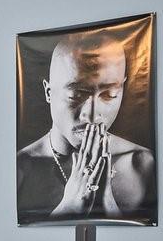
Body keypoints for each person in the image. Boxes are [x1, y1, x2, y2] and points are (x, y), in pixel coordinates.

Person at [17, 29, 155, 221]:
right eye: (76, 95)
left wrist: (107, 205)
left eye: (109, 95)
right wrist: (69, 207)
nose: (92, 115)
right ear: (49, 92)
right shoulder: (20, 170)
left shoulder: (142, 165)